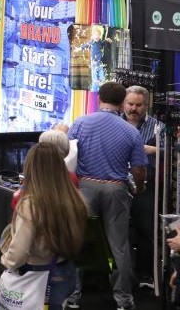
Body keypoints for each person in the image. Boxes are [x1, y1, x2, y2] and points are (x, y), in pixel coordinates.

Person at [67, 82, 148, 310]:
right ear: (122, 103)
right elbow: (139, 169)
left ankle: (72, 296)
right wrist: (139, 187)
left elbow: (68, 156)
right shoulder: (131, 131)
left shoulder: (80, 123)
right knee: (118, 246)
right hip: (116, 188)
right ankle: (124, 300)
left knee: (79, 240)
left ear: (99, 98)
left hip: (85, 187)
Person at [0, 143, 88, 310]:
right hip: (66, 271)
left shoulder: (31, 205)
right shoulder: (76, 199)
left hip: (38, 276)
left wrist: (6, 260)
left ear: (31, 168)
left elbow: (18, 253)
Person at [123, 85, 160, 285]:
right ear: (123, 103)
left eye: (138, 105)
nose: (133, 109)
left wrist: (153, 149)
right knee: (116, 230)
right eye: (130, 104)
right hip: (119, 182)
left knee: (146, 229)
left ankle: (145, 274)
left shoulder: (157, 127)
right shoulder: (115, 123)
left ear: (146, 105)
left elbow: (172, 151)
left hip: (145, 183)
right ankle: (114, 275)